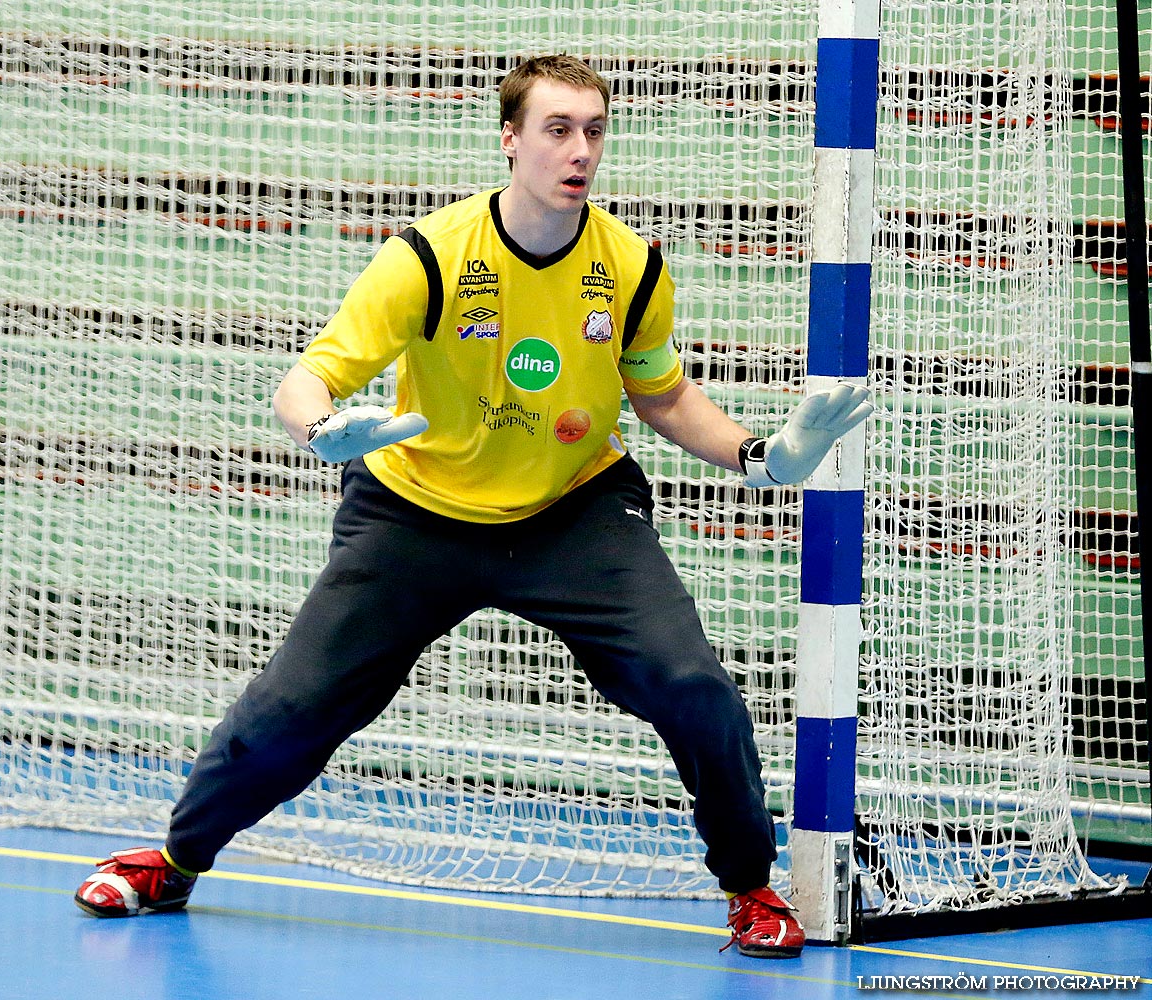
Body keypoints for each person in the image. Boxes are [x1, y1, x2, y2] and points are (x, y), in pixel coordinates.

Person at [74, 54, 871, 960]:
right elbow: (308, 379)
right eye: (558, 130)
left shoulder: (633, 265)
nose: (580, 151)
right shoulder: (427, 255)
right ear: (511, 139)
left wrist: (763, 457)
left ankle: (749, 887)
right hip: (414, 513)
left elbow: (661, 396)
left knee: (692, 686)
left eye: (595, 131)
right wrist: (321, 427)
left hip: (570, 510)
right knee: (291, 710)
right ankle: (175, 862)